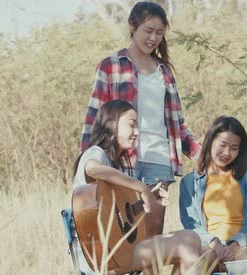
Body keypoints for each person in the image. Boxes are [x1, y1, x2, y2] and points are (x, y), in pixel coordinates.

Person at [73, 99, 215, 275]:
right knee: (188, 239)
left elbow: (119, 219)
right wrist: (141, 188)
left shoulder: (115, 165)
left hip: (113, 250)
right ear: (112, 124)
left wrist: (148, 196)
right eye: (131, 124)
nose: (137, 131)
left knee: (190, 242)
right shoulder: (96, 153)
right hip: (101, 256)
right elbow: (93, 169)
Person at [81, 1, 201, 236]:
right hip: (120, 161)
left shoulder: (164, 72)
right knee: (119, 236)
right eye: (148, 30)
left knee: (153, 239)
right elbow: (94, 117)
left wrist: (201, 154)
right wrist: (86, 162)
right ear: (132, 27)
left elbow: (177, 124)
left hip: (158, 160)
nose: (153, 38)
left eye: (159, 32)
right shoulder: (111, 66)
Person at [179, 116, 247, 272]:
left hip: (242, 247)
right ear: (211, 141)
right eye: (223, 145)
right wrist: (215, 245)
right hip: (209, 246)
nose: (227, 153)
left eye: (234, 148)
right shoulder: (189, 182)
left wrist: (235, 245)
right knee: (199, 259)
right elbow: (191, 225)